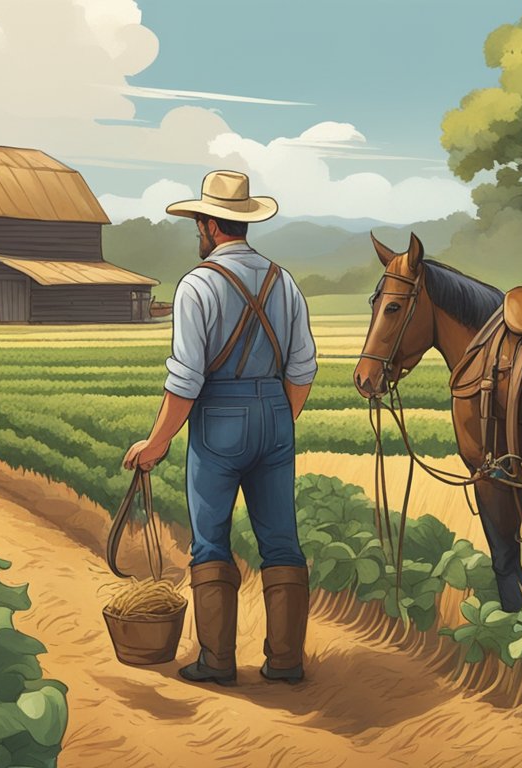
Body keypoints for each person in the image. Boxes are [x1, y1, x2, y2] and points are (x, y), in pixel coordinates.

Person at [123, 170, 318, 687]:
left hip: (218, 419)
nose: (198, 233)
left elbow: (186, 380)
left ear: (211, 225)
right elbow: (303, 368)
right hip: (276, 413)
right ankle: (285, 661)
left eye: (199, 224)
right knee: (281, 541)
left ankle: (217, 661)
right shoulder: (284, 280)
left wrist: (156, 443)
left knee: (211, 541)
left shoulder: (198, 285)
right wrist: (278, 418)